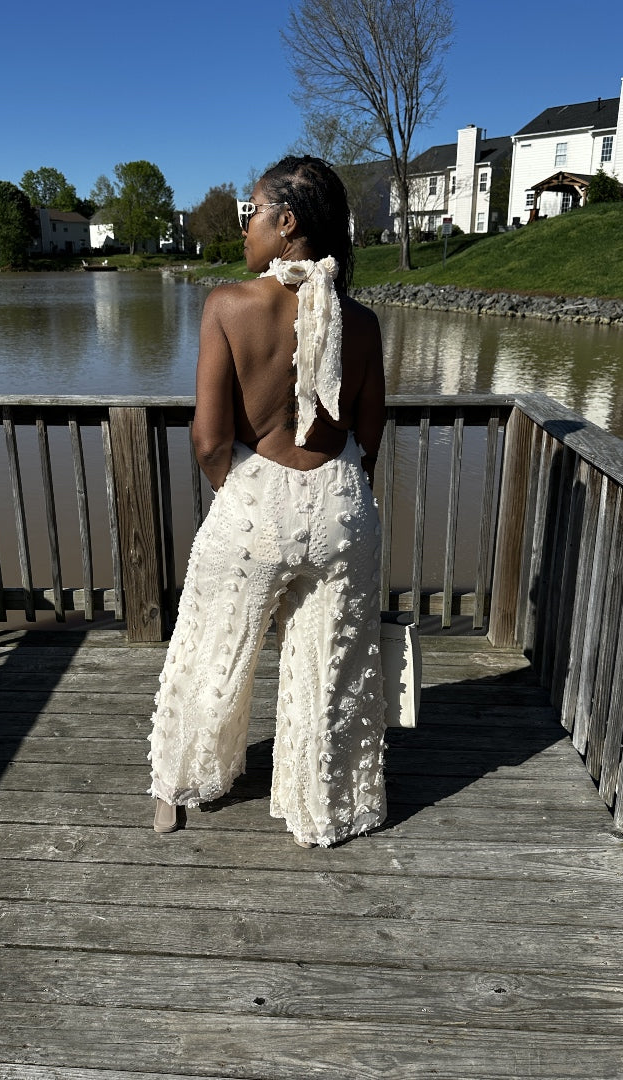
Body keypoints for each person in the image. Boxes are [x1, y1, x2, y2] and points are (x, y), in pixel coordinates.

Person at [148, 155, 387, 848]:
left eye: (250, 212)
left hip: (255, 505)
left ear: (286, 223)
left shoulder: (228, 305)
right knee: (333, 665)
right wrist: (337, 489)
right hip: (341, 503)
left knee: (214, 648)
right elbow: (370, 433)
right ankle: (327, 806)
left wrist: (244, 495)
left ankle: (183, 784)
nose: (243, 226)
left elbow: (210, 440)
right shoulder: (362, 320)